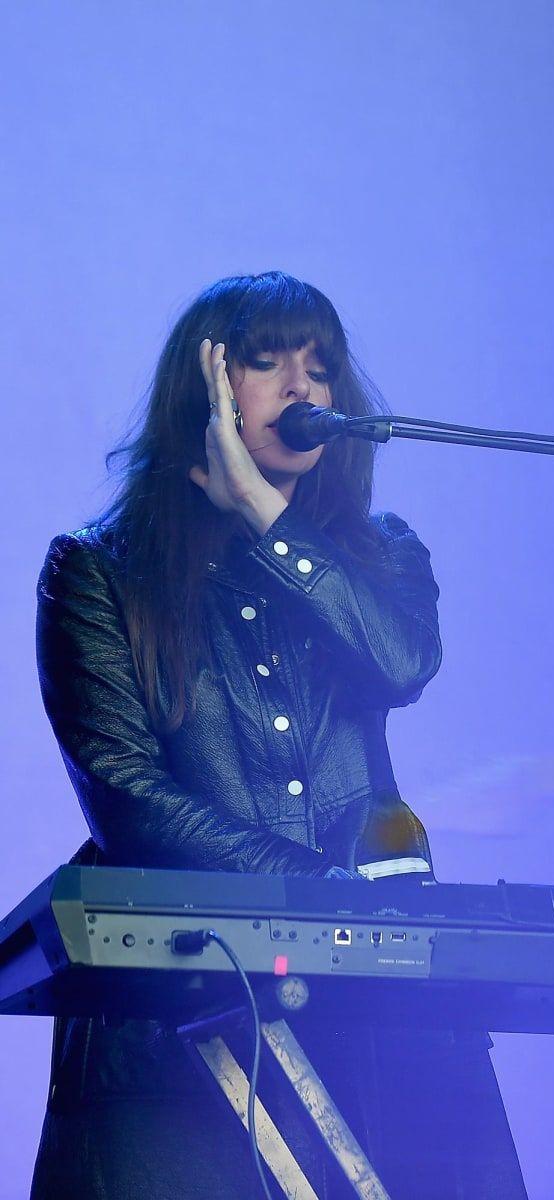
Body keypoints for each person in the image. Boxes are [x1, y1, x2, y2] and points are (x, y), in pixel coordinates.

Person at [31, 272, 527, 1198]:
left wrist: (266, 512)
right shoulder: (96, 572)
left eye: (321, 367)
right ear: (206, 389)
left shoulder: (383, 553)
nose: (303, 388)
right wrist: (314, 894)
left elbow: (402, 663)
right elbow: (127, 795)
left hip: (385, 1018)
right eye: (266, 363)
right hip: (169, 1029)